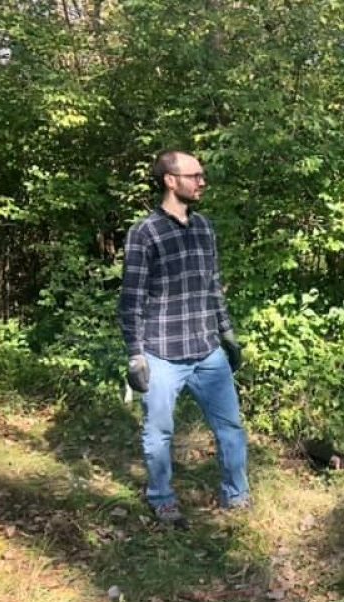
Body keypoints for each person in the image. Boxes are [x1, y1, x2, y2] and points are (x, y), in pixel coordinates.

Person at [119, 149, 249, 529]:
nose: (202, 181)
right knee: (159, 432)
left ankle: (236, 496)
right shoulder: (145, 233)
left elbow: (213, 286)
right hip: (161, 353)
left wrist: (227, 333)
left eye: (202, 175)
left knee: (231, 427)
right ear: (170, 181)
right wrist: (135, 355)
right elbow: (131, 298)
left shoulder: (204, 226)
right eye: (194, 175)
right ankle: (162, 499)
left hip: (207, 352)